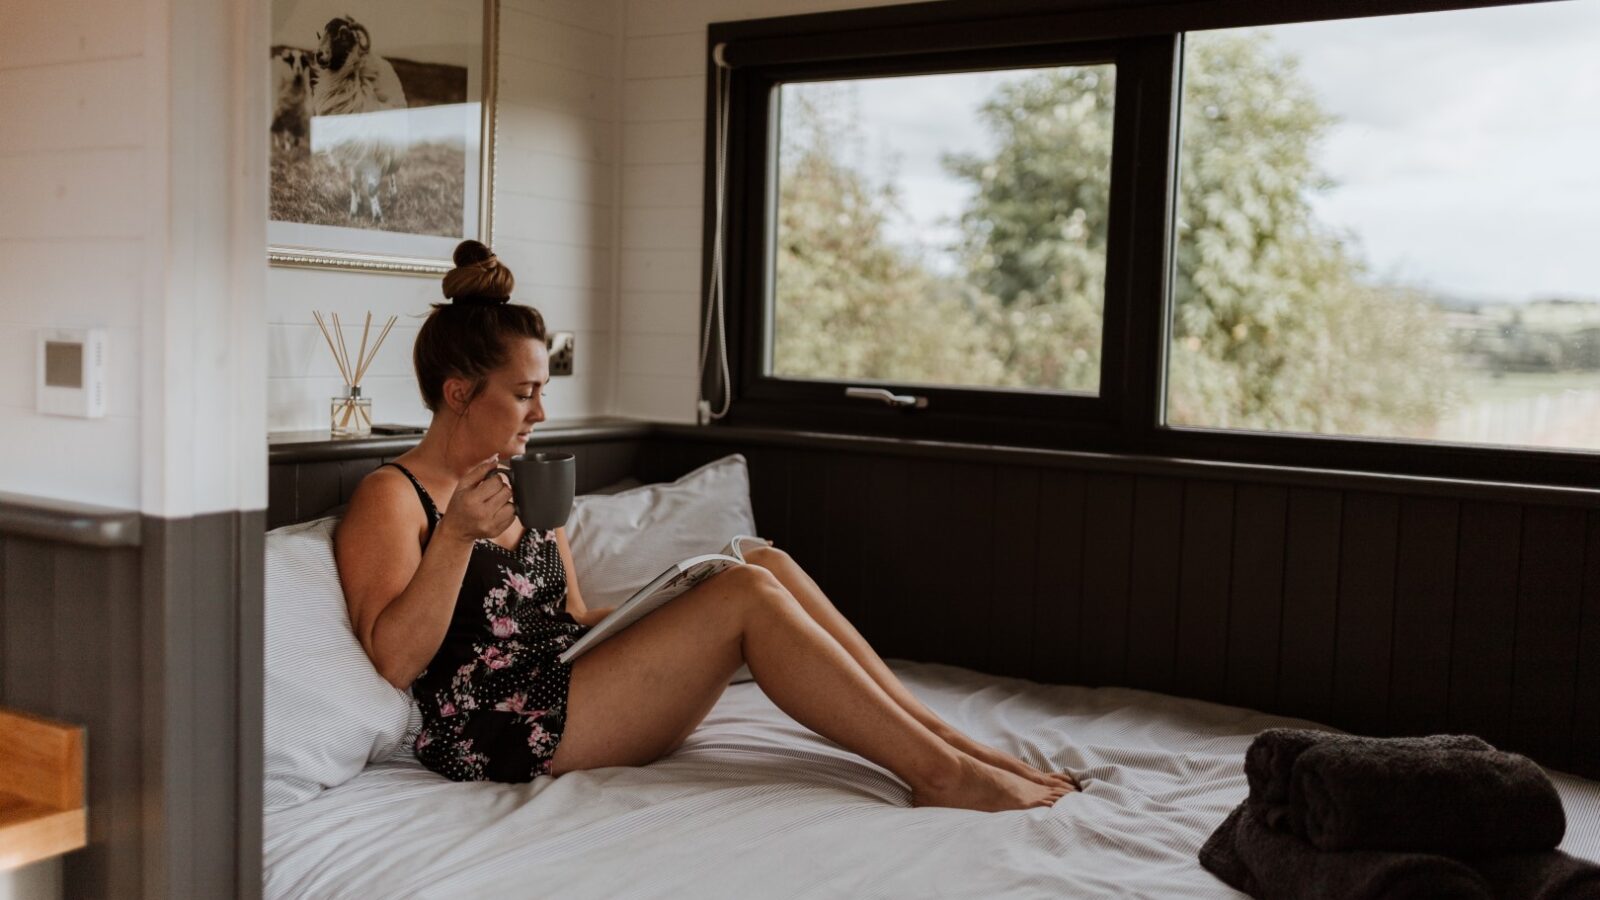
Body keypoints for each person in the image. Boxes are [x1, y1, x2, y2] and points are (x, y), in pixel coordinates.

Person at [334, 239, 1080, 810]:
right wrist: (457, 537)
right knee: (746, 599)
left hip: (569, 680)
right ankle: (939, 773)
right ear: (459, 393)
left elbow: (573, 618)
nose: (542, 413)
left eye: (544, 391)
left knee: (758, 564)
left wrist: (670, 595)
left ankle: (950, 739)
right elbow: (395, 661)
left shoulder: (523, 482)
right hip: (494, 727)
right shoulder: (393, 497)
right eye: (524, 393)